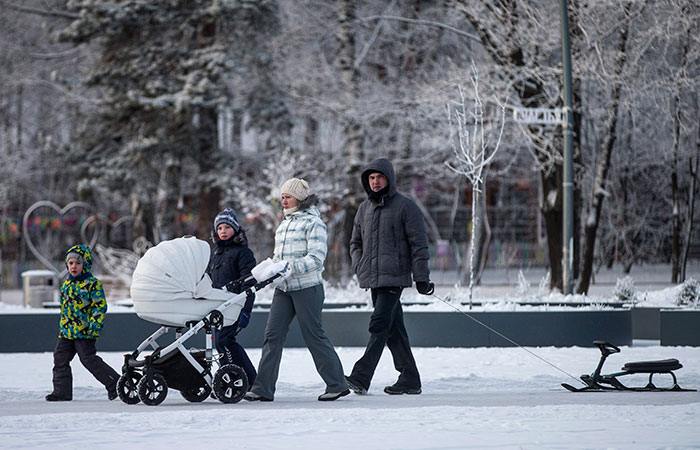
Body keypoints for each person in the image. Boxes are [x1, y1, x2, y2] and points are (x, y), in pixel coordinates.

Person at [244, 178, 350, 402]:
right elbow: (279, 258)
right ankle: (263, 388)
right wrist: (267, 269)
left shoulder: (314, 223)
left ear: (300, 198)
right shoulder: (283, 224)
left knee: (313, 335)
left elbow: (316, 258)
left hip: (307, 288)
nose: (283, 200)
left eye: (288, 196)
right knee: (272, 336)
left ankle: (337, 384)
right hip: (284, 288)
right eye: (282, 196)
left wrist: (290, 268)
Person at [344, 158, 434, 396]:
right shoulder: (364, 209)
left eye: (379, 177)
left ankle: (361, 377)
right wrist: (359, 264)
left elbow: (419, 244)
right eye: (371, 178)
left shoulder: (406, 206)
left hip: (394, 278)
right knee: (394, 330)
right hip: (373, 278)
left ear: (389, 179)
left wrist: (422, 277)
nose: (375, 182)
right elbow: (355, 242)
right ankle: (410, 378)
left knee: (379, 324)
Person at [46, 244, 120, 401]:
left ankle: (115, 384)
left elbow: (100, 306)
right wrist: (63, 326)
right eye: (71, 263)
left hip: (85, 331)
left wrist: (94, 326)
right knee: (60, 359)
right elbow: (65, 307)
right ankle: (62, 392)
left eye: (78, 263)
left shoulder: (92, 284)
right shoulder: (66, 284)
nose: (73, 267)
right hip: (67, 331)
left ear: (85, 264)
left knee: (89, 360)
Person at [207, 208, 258, 386]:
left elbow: (250, 284)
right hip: (218, 309)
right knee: (221, 344)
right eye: (219, 228)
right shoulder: (215, 255)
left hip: (235, 307)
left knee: (224, 341)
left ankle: (243, 380)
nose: (223, 231)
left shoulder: (243, 253)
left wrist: (245, 311)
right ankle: (232, 379)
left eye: (227, 227)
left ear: (236, 229)